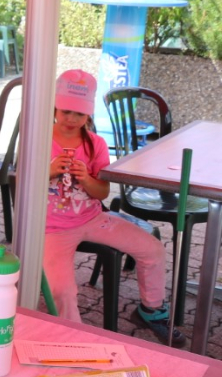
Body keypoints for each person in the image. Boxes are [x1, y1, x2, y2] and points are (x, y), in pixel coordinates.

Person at [44, 69, 184, 346]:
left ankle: (151, 311)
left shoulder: (95, 144)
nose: (71, 119)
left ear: (89, 114)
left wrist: (87, 179)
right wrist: (47, 171)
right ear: (55, 107)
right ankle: (72, 340)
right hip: (52, 229)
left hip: (93, 218)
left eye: (79, 113)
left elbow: (103, 191)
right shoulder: (39, 139)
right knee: (62, 291)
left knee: (153, 249)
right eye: (66, 111)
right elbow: (21, 183)